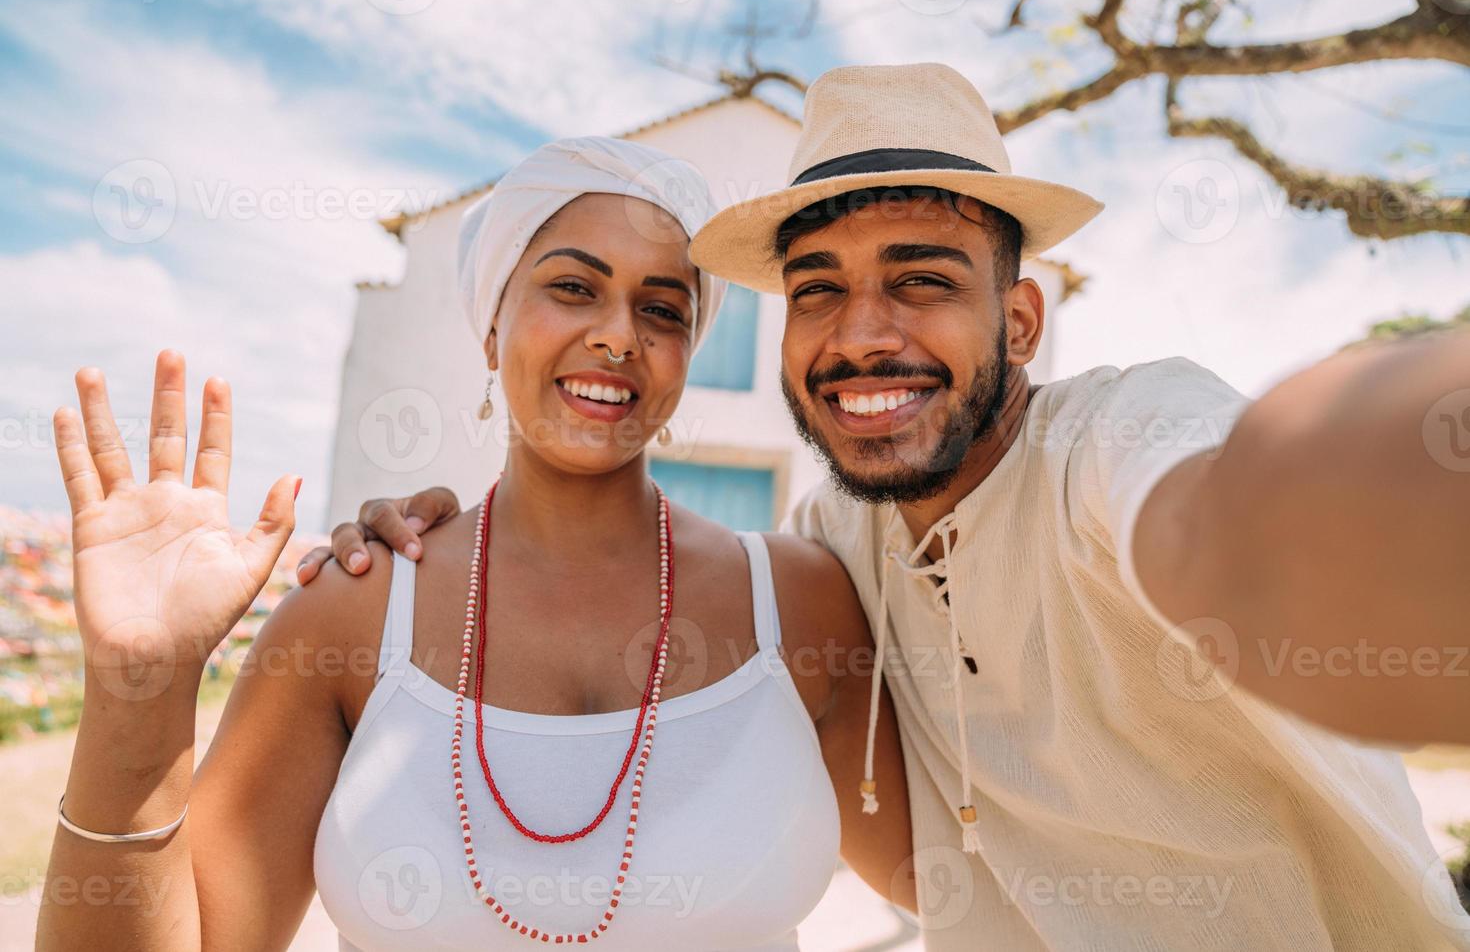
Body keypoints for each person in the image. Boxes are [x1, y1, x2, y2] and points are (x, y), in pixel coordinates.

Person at [314, 64, 1470, 949]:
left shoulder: (1120, 440)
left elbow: (1232, 514)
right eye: (820, 291)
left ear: (1020, 323)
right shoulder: (829, 554)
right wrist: (432, 545)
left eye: (921, 278)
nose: (863, 333)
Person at [37, 137, 913, 951]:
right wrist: (135, 689)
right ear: (492, 325)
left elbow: (980, 869)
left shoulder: (800, 604)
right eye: (573, 287)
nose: (618, 334)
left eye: (662, 307)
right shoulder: (353, 607)